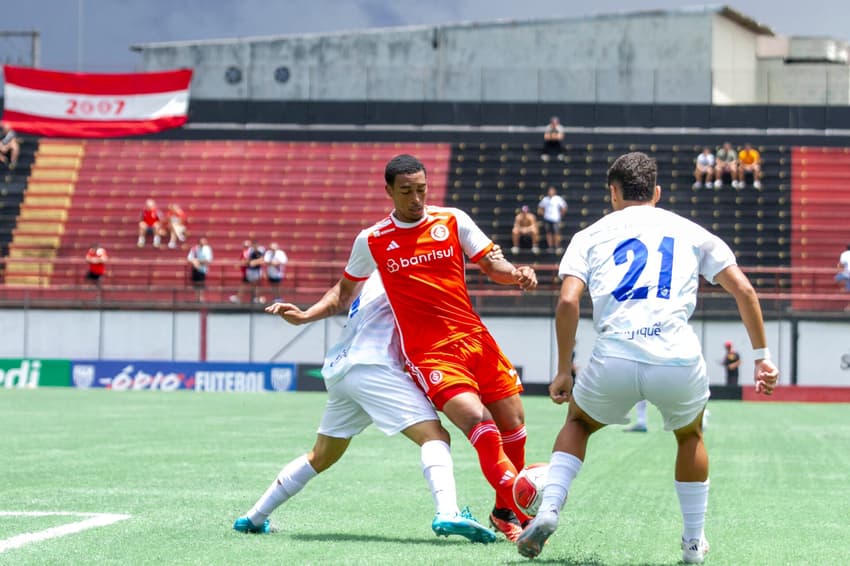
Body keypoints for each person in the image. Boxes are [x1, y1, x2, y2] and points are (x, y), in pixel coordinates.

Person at [516, 152, 780, 563]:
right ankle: (693, 543)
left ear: (613, 193)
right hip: (675, 359)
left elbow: (568, 300)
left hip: (613, 359)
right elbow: (744, 291)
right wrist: (762, 357)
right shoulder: (690, 230)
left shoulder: (588, 235)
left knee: (579, 423)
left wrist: (564, 369)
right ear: (656, 192)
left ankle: (548, 510)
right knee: (689, 435)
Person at [266, 154, 538, 542]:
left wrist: (517, 275)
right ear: (389, 191)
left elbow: (492, 264)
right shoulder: (373, 239)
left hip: (476, 339)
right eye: (407, 191)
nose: (416, 199)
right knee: (479, 424)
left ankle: (503, 510)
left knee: (514, 428)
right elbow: (344, 293)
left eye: (422, 190)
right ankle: (523, 505)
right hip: (430, 353)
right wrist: (307, 315)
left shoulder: (452, 220)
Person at [233, 271, 497, 544]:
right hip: (374, 366)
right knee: (435, 436)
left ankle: (253, 517)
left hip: (342, 371)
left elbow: (343, 295)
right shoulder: (406, 270)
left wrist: (304, 316)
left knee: (320, 456)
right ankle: (448, 512)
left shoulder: (376, 276)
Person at [537, 186, 568, 254]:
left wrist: (561, 214)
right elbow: (540, 208)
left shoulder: (558, 198)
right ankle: (550, 247)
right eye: (549, 191)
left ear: (554, 192)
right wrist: (544, 214)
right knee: (549, 233)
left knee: (556, 233)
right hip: (547, 218)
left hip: (555, 219)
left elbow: (564, 207)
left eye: (552, 191)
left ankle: (557, 246)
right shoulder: (545, 199)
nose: (550, 192)